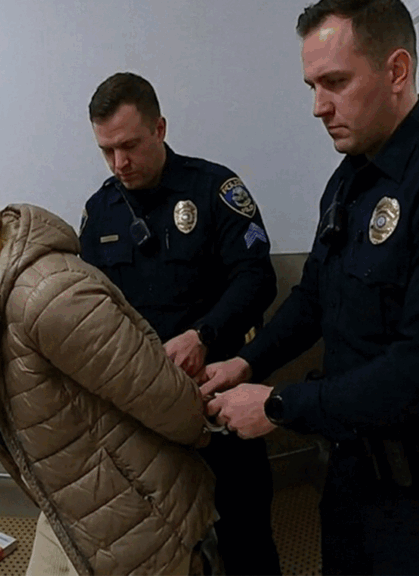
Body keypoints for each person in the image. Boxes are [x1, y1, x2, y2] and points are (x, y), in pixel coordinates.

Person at [200, 1, 419, 574]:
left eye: (335, 82)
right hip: (354, 478)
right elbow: (313, 299)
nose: (319, 107)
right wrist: (246, 362)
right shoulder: (348, 182)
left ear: (397, 72)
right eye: (312, 85)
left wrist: (278, 404)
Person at [0, 115, 218, 575]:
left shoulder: (45, 297)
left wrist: (198, 433)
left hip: (145, 521)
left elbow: (170, 400)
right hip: (72, 510)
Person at [79, 72, 281, 576]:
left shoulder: (215, 189)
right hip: (144, 411)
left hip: (220, 397)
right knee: (158, 542)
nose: (119, 163)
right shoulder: (100, 211)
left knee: (246, 535)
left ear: (160, 128)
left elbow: (258, 278)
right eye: (106, 150)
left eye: (129, 145)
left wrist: (204, 334)